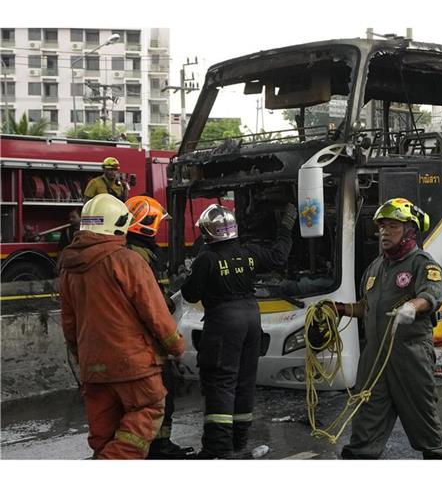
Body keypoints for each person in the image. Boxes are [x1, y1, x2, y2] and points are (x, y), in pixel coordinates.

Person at [58, 194, 185, 459]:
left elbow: (69, 324)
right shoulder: (127, 261)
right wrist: (175, 345)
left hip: (94, 367)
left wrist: (83, 357)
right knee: (149, 408)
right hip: (133, 364)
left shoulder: (69, 269)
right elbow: (154, 311)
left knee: (104, 433)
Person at [181, 202, 297, 459]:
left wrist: (187, 276)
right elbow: (279, 256)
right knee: (244, 381)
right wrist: (286, 227)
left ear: (206, 233)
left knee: (221, 382)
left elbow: (190, 294)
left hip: (224, 321)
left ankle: (218, 448)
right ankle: (238, 441)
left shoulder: (207, 259)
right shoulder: (250, 253)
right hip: (252, 319)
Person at [338, 198, 442, 460]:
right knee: (366, 416)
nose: (384, 232)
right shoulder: (375, 267)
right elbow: (367, 307)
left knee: (423, 418)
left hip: (409, 356)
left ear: (410, 230)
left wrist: (413, 305)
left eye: (392, 227)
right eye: (382, 227)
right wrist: (339, 309)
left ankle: (435, 459)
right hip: (375, 359)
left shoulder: (422, 264)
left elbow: (432, 294)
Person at [124, 195, 195, 459]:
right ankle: (158, 449)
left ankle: (158, 446)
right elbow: (150, 303)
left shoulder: (136, 252)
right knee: (162, 394)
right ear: (147, 224)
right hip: (147, 342)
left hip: (140, 342)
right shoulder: (137, 257)